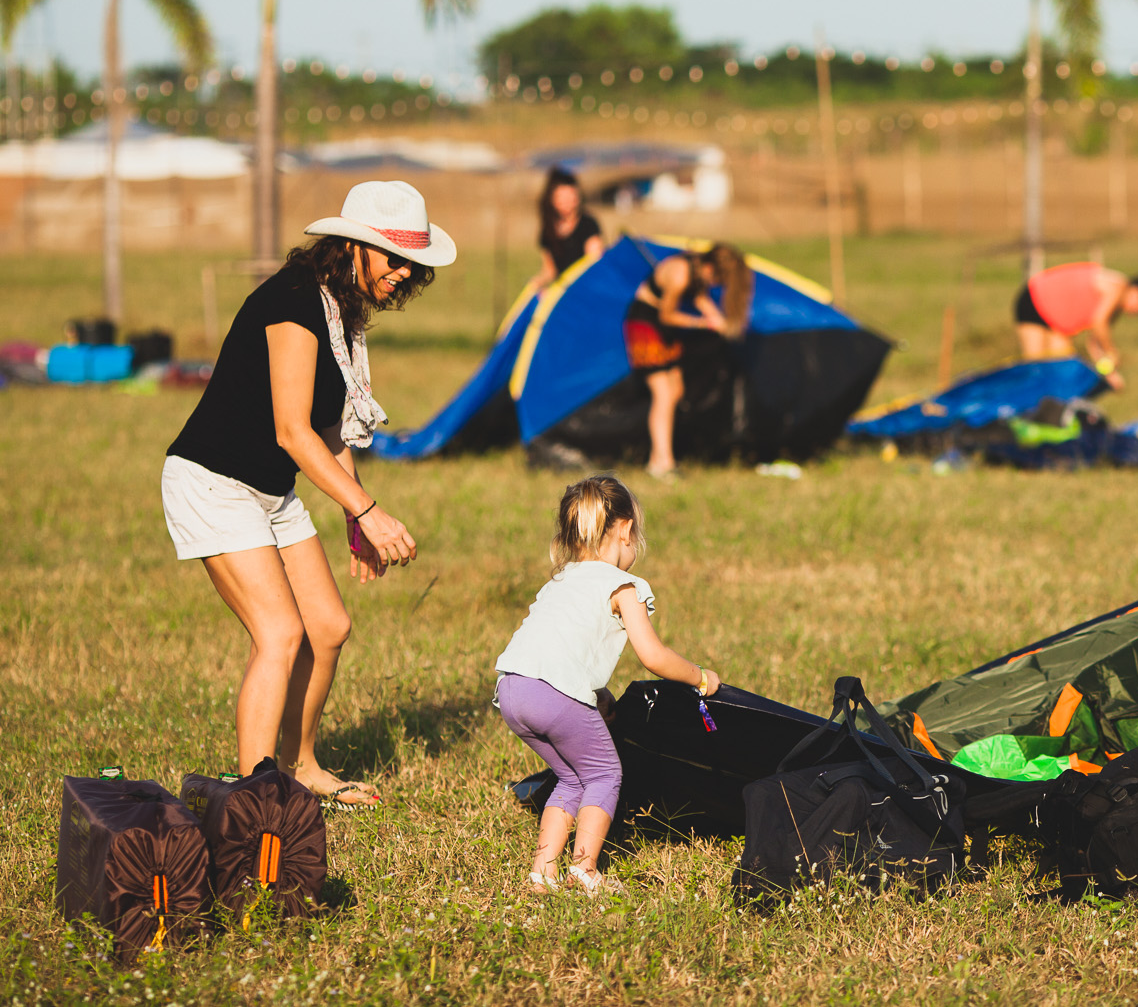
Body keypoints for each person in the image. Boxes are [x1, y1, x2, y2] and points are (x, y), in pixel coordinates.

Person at [161, 180, 456, 804]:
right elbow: (292, 433)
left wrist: (354, 515)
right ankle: (251, 802)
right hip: (213, 481)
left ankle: (300, 767)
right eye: (393, 257)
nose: (404, 273)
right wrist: (368, 512)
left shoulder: (339, 308)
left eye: (413, 263)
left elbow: (328, 427)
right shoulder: (295, 302)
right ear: (353, 246)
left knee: (327, 625)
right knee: (280, 634)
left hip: (266, 488)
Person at [494, 475, 720, 891]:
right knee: (603, 774)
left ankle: (543, 871)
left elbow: (558, 650)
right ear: (625, 530)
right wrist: (701, 677)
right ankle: (584, 868)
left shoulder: (560, 580)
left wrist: (596, 694)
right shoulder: (623, 585)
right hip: (554, 694)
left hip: (512, 689)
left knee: (570, 778)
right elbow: (653, 656)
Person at [624, 243, 753, 477]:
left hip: (662, 329)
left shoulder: (697, 268)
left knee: (675, 391)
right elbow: (666, 315)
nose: (718, 286)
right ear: (712, 269)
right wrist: (703, 323)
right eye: (720, 282)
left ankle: (658, 459)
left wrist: (721, 322)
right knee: (663, 393)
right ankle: (664, 465)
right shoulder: (680, 274)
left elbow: (701, 298)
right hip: (645, 324)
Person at [1011, 262, 1138, 391]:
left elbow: (1094, 341)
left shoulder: (1115, 305)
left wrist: (1110, 374)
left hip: (1056, 322)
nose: (1135, 314)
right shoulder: (1118, 286)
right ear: (1137, 292)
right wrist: (1111, 351)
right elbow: (1099, 323)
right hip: (1034, 300)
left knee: (1061, 371)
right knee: (1036, 367)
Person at [535, 166, 605, 288]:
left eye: (570, 196)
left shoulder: (588, 224)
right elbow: (550, 270)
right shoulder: (548, 231)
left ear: (577, 197)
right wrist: (538, 282)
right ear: (552, 199)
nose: (566, 201)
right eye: (561, 197)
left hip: (587, 287)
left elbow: (594, 262)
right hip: (563, 290)